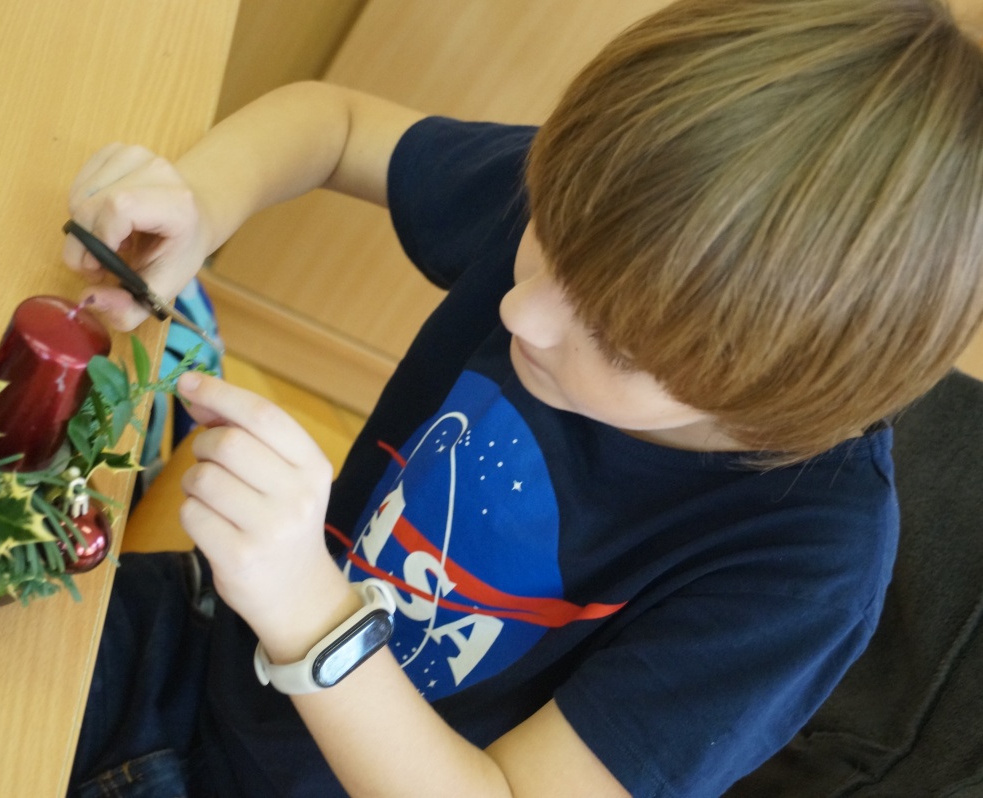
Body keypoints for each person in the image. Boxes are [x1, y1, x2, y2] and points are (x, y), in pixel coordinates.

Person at [61, 0, 983, 795]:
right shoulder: (613, 218)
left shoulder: (804, 568)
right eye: (544, 226)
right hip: (210, 640)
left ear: (774, 397)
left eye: (615, 342)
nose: (521, 311)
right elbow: (333, 126)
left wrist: (312, 614)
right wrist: (202, 203)